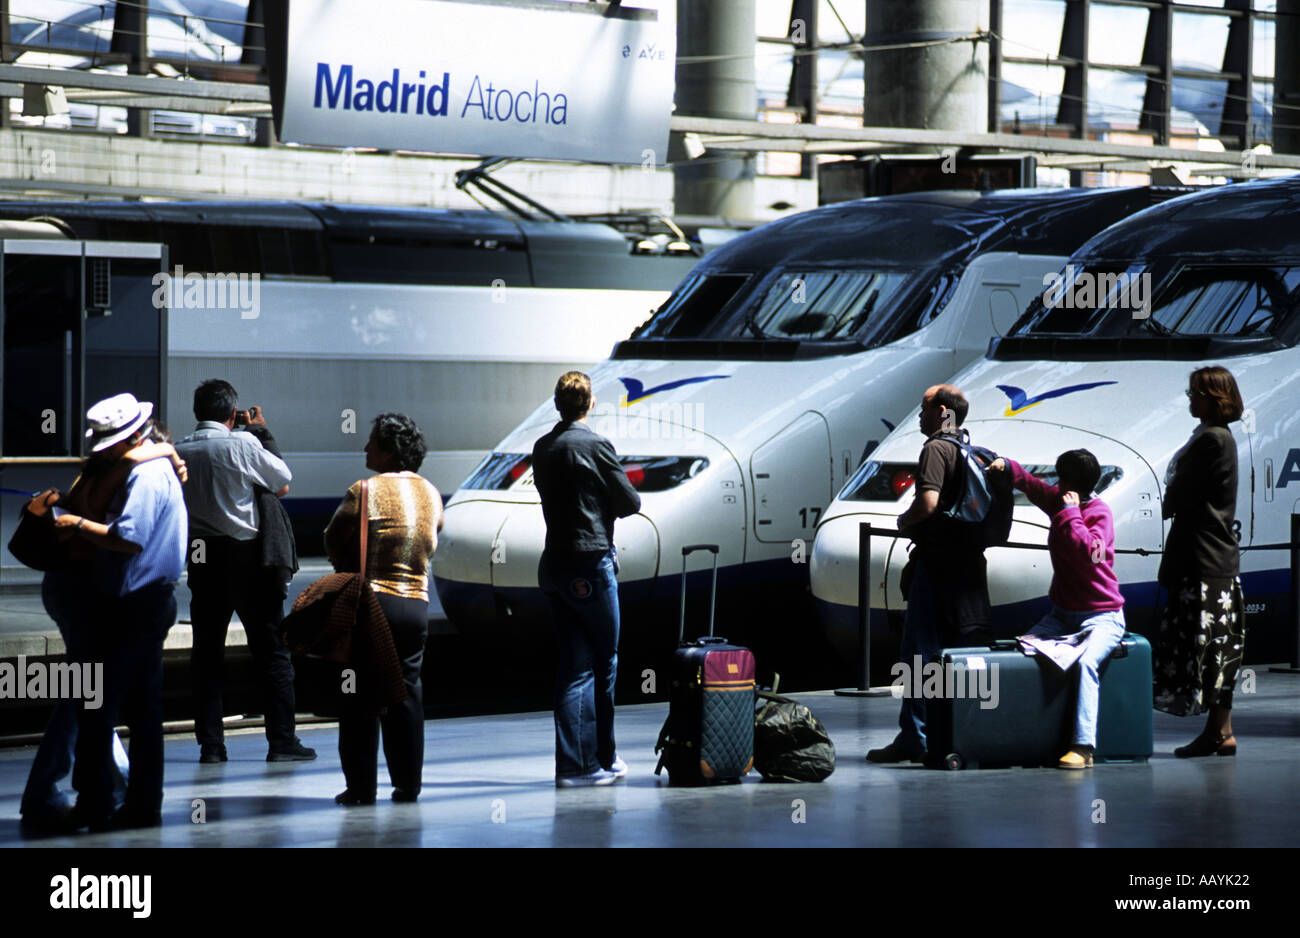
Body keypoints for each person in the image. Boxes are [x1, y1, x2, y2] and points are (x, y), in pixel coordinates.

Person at [20, 427, 185, 831]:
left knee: (92, 699)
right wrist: (164, 452)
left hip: (94, 595)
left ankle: (97, 794)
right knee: (99, 701)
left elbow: (128, 536)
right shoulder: (118, 470)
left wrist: (160, 453)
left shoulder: (115, 470)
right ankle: (105, 793)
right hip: (89, 594)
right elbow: (122, 523)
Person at [175, 379, 315, 764]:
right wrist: (259, 431)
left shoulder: (179, 449)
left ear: (196, 412)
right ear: (232, 414)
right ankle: (282, 742)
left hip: (202, 558)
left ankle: (212, 746)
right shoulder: (243, 443)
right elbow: (281, 481)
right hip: (250, 557)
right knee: (272, 652)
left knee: (206, 656)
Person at [867, 384, 991, 764]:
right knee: (959, 651)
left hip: (937, 566)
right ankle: (959, 733)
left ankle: (916, 737)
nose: (919, 415)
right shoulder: (971, 450)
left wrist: (905, 521)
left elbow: (929, 502)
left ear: (941, 411)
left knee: (920, 652)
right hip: (968, 567)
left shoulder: (936, 449)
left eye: (923, 408)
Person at [323, 413, 442, 805]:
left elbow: (333, 536)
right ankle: (408, 785)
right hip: (415, 606)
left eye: (372, 442)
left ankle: (360, 788)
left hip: (372, 605)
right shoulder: (432, 493)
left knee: (359, 696)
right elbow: (432, 538)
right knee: (406, 693)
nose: (365, 448)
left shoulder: (364, 491)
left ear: (389, 450)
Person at [532, 371, 641, 787]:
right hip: (590, 563)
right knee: (605, 660)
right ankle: (604, 757)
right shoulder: (596, 445)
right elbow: (630, 502)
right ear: (590, 403)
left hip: (553, 565)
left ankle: (573, 764)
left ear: (558, 404)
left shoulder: (543, 448)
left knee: (574, 667)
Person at [993, 449, 1126, 769]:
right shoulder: (1060, 501)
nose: (1054, 482)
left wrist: (1069, 513)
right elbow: (1033, 485)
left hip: (1103, 616)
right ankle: (1022, 734)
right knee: (1023, 652)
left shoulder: (1099, 513)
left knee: (1087, 664)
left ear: (1070, 482)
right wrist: (1008, 466)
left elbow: (1089, 555)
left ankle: (1083, 746)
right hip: (1063, 614)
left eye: (1060, 477)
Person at [1153, 366, 1246, 757]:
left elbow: (1182, 492)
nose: (1190, 399)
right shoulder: (1217, 438)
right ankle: (1219, 731)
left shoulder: (1211, 440)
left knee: (1206, 649)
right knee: (1218, 650)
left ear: (1214, 397)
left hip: (1203, 561)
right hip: (1213, 561)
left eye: (1195, 393)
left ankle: (1219, 731)